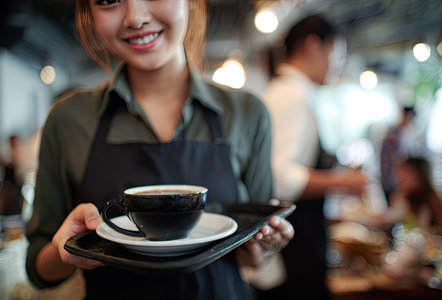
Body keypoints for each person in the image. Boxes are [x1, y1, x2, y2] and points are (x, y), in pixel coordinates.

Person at [25, 1, 294, 299]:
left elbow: (250, 256)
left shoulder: (247, 113)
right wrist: (66, 249)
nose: (136, 17)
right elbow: (38, 269)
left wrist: (262, 247)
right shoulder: (67, 119)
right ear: (89, 13)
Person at [261, 14, 368, 299]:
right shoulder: (289, 95)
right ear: (313, 45)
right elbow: (280, 178)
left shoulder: (293, 92)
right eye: (338, 55)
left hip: (299, 242)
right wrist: (344, 181)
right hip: (293, 250)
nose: (339, 65)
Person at [380, 106, 417, 203]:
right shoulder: (395, 135)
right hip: (392, 181)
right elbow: (399, 160)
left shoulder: (397, 133)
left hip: (392, 180)